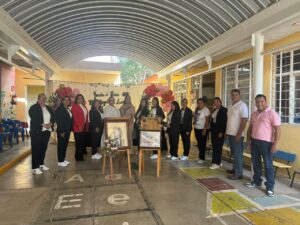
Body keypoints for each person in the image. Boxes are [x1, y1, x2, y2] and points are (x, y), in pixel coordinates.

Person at [246, 94, 281, 197]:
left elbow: (278, 129)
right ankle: (257, 181)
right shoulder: (254, 114)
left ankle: (270, 187)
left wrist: (275, 144)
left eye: (261, 101)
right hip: (254, 142)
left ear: (266, 102)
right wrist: (248, 141)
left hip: (267, 143)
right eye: (257, 102)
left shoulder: (272, 113)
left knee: (268, 166)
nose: (259, 104)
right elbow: (250, 128)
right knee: (256, 163)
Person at [29, 93, 55, 174]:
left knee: (43, 148)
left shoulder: (48, 108)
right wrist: (43, 124)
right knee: (36, 149)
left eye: (45, 98)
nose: (43, 99)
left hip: (47, 131)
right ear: (38, 98)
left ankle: (41, 164)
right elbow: (33, 117)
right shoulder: (33, 107)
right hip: (37, 131)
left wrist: (50, 124)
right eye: (41, 98)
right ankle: (35, 167)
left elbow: (53, 116)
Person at [226, 89, 248, 180]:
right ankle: (235, 169)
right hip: (230, 134)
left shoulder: (242, 106)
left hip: (237, 135)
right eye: (232, 95)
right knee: (234, 153)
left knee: (238, 154)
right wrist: (227, 132)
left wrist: (239, 133)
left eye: (235, 95)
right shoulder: (231, 106)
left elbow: (244, 120)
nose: (234, 96)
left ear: (239, 96)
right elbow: (230, 120)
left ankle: (239, 173)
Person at [209, 97, 227, 169]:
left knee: (218, 147)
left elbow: (224, 122)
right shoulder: (215, 110)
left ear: (220, 102)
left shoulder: (224, 110)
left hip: (219, 131)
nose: (216, 103)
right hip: (214, 130)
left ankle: (216, 163)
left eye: (217, 101)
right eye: (214, 102)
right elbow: (213, 119)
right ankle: (218, 162)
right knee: (215, 146)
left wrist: (222, 132)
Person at [56, 96, 73, 167]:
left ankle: (63, 159)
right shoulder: (60, 109)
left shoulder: (68, 109)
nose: (66, 101)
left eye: (68, 100)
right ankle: (60, 161)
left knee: (65, 145)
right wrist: (62, 131)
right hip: (62, 131)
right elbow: (59, 121)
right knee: (61, 145)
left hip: (67, 130)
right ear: (62, 101)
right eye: (65, 100)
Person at [71, 94, 89, 161]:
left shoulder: (83, 106)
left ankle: (77, 155)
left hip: (83, 126)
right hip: (78, 127)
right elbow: (75, 118)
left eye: (81, 98)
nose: (80, 99)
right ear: (76, 99)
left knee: (81, 142)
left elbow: (86, 117)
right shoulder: (74, 106)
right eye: (78, 98)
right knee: (78, 143)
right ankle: (79, 157)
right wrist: (79, 126)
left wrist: (86, 126)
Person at [194, 98, 210, 164]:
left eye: (201, 102)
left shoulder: (206, 110)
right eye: (198, 103)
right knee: (199, 144)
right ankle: (200, 156)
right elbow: (196, 118)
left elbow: (207, 121)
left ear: (203, 103)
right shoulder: (197, 109)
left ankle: (202, 158)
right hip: (196, 128)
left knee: (202, 144)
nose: (199, 104)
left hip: (202, 129)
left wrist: (204, 129)